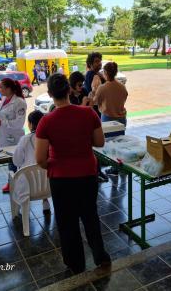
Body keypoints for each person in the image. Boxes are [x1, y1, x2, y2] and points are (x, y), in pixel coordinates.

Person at [35, 73, 111, 274]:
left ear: (50, 94)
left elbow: (40, 159)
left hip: (61, 179)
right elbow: (99, 142)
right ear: (69, 90)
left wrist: (55, 164)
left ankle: (75, 263)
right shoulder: (88, 114)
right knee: (90, 216)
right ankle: (100, 256)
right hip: (87, 174)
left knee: (67, 222)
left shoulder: (46, 121)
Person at [0, 78, 27, 192]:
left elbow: (19, 123)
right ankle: (11, 182)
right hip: (5, 135)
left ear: (9, 89)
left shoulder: (19, 102)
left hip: (15, 136)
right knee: (10, 160)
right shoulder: (4, 99)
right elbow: (3, 115)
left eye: (1, 87)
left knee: (17, 161)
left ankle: (20, 184)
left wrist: (1, 122)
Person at [12, 110, 50, 212]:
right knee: (43, 172)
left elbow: (16, 161)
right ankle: (45, 202)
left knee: (20, 173)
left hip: (29, 186)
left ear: (31, 124)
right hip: (49, 186)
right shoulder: (50, 137)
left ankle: (22, 206)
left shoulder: (25, 139)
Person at [84, 52, 108, 183]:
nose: (99, 63)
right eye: (96, 61)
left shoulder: (97, 74)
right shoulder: (92, 76)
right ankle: (96, 171)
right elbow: (95, 95)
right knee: (95, 142)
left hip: (97, 112)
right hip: (95, 112)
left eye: (100, 61)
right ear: (91, 63)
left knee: (96, 142)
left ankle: (97, 170)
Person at [94, 62, 128, 137]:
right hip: (121, 120)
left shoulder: (102, 87)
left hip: (107, 119)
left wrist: (94, 90)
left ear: (105, 72)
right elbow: (124, 97)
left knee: (107, 143)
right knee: (120, 141)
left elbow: (95, 102)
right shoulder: (122, 86)